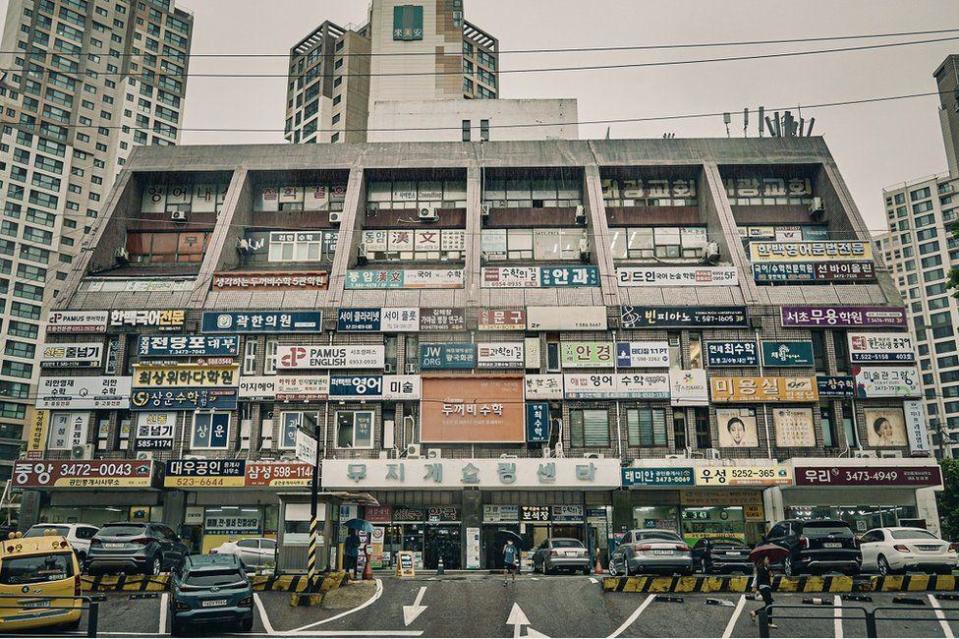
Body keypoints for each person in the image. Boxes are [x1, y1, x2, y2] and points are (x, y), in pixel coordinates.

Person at [750, 555, 777, 629]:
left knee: (769, 604)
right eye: (767, 559)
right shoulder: (760, 568)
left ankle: (755, 613)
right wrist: (758, 589)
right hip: (763, 587)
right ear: (763, 560)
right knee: (769, 604)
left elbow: (771, 576)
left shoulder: (767, 568)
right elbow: (759, 579)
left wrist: (770, 570)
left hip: (767, 587)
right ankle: (769, 622)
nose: (768, 560)